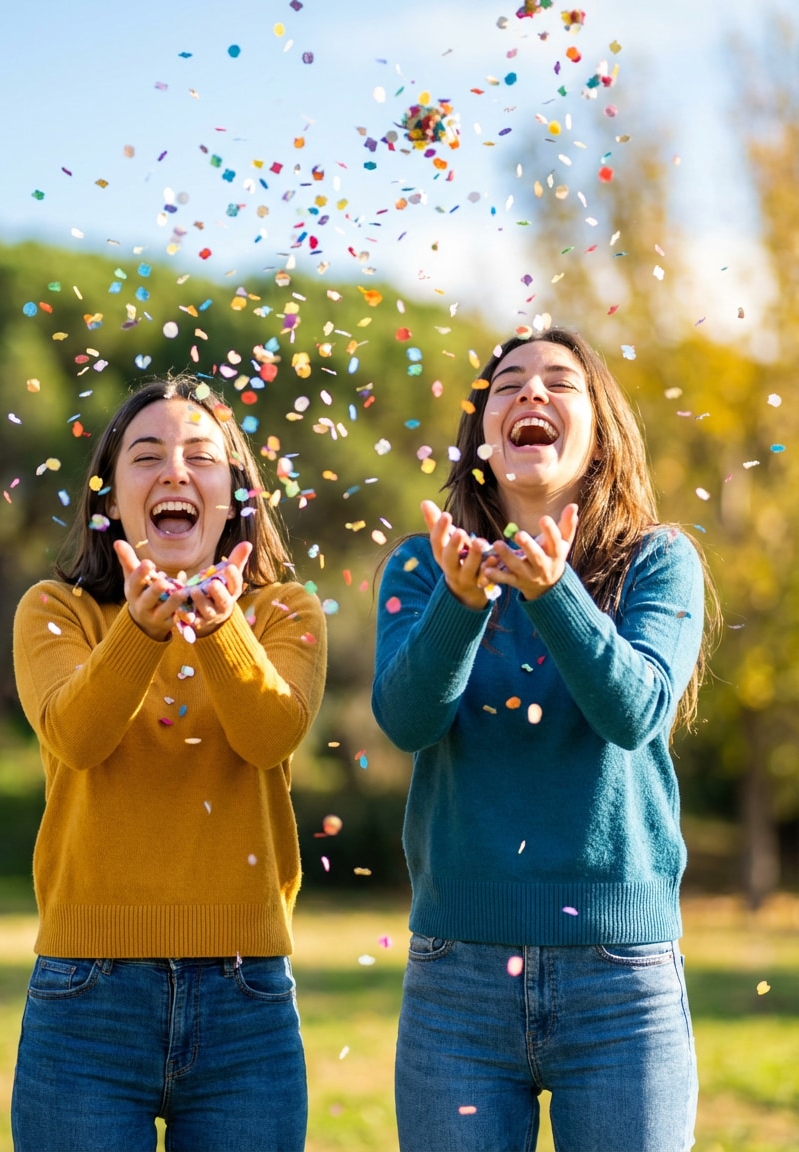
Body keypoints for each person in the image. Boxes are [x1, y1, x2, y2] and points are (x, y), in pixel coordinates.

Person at [372, 327, 718, 1152]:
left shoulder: (658, 562)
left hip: (621, 979)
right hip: (457, 983)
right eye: (508, 385)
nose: (530, 393)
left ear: (599, 431)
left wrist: (555, 590)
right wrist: (460, 603)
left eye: (559, 382)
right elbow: (407, 720)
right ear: (483, 435)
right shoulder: (423, 571)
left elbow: (634, 713)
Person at [10, 374, 327, 1152]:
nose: (174, 472)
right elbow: (77, 737)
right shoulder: (55, 610)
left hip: (244, 997)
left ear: (235, 496)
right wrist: (142, 629)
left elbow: (270, 735)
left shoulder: (285, 612)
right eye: (146, 457)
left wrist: (220, 629)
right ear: (111, 499)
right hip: (86, 996)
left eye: (201, 457)